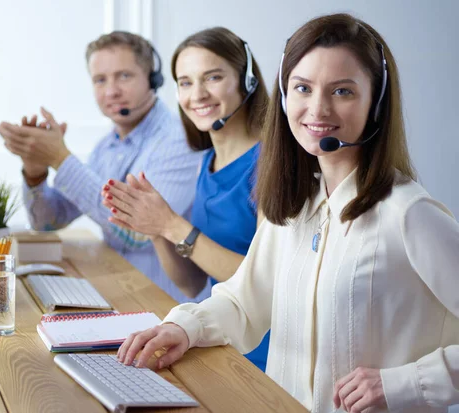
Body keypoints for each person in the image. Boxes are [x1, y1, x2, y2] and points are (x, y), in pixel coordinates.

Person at [116, 14, 459, 413]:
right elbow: (245, 300)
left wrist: (405, 384)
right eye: (302, 88)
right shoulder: (296, 208)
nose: (317, 108)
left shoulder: (409, 214)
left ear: (376, 103)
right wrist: (183, 327)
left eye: (343, 91)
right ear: (283, 96)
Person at [101, 27, 272, 370]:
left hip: (261, 355)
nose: (198, 94)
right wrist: (153, 228)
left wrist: (171, 223)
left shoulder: (271, 165)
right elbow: (193, 282)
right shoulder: (207, 162)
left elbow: (260, 281)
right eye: (185, 82)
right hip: (216, 341)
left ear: (247, 81)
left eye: (213, 77)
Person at [0, 31, 205, 303]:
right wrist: (36, 171)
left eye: (124, 76)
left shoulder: (178, 140)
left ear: (153, 79)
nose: (111, 91)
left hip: (165, 306)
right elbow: (48, 222)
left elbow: (138, 233)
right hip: (122, 293)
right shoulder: (106, 146)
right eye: (100, 80)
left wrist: (60, 158)